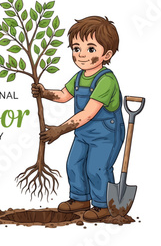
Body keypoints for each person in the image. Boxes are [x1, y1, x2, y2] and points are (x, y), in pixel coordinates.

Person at [32, 16, 125, 221]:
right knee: (74, 163)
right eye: (76, 48)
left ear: (106, 54)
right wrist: (45, 92)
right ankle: (80, 198)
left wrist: (59, 130)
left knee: (97, 168)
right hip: (83, 133)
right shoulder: (79, 76)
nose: (81, 55)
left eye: (90, 49)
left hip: (106, 135)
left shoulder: (106, 80)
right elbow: (64, 95)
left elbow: (88, 113)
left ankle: (103, 205)